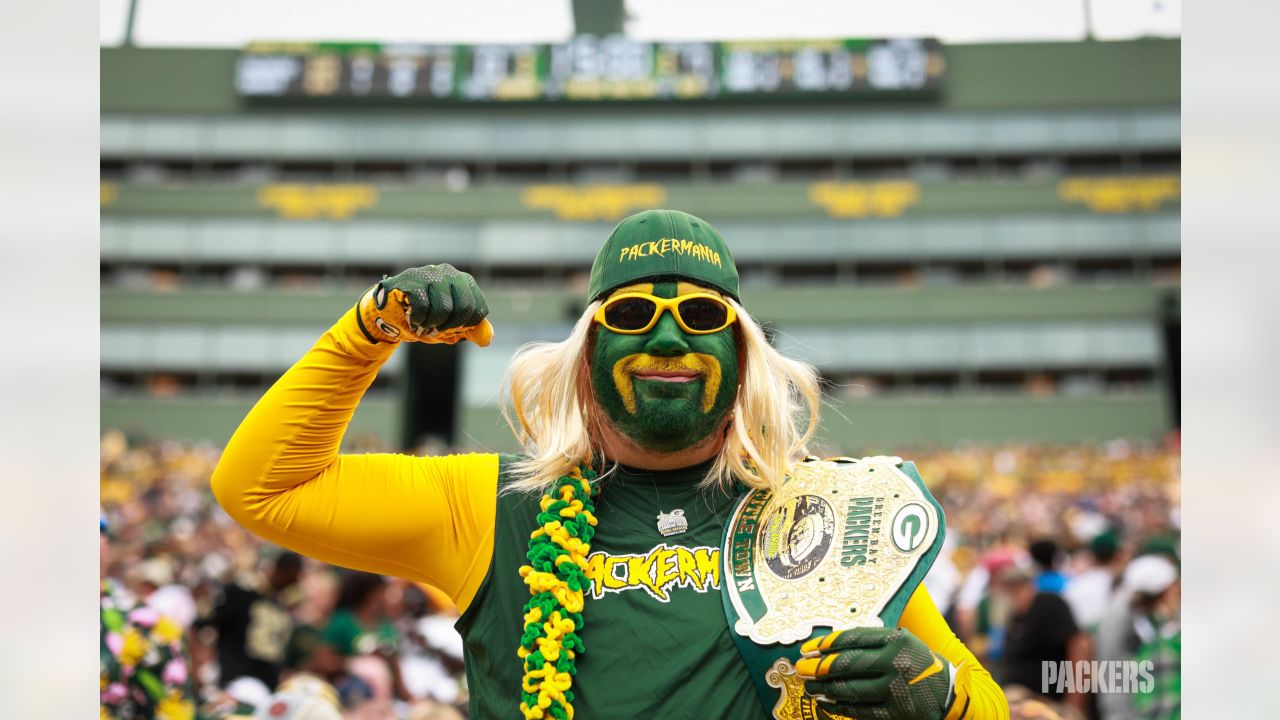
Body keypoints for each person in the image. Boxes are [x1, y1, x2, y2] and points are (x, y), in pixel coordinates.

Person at [213, 210, 1009, 719]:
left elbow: (985, 708)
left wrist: (937, 693)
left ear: (741, 353)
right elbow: (261, 487)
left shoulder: (827, 509)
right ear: (589, 352)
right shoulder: (490, 505)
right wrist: (366, 332)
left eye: (701, 315)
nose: (668, 340)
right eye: (632, 315)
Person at [197, 551, 303, 689]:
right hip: (234, 680)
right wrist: (198, 666)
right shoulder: (241, 593)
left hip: (265, 685)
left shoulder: (283, 605)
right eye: (289, 574)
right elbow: (202, 626)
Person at [992, 566, 1088, 716]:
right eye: (1010, 590)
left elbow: (1078, 645)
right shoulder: (1015, 617)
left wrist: (1074, 699)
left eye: (1018, 587)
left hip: (1047, 699)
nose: (1014, 595)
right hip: (1022, 700)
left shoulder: (1048, 604)